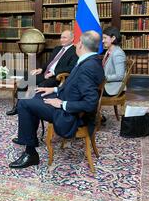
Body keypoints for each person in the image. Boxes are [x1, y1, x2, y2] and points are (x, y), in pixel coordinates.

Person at [9, 31, 105, 169]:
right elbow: (73, 86)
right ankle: (30, 138)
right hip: (65, 99)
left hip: (70, 115)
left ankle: (30, 154)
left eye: (78, 42)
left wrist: (62, 104)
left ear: (81, 45)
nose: (77, 44)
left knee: (24, 103)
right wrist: (53, 90)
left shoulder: (88, 67)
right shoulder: (91, 61)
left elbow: (90, 103)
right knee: (35, 95)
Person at [6, 30, 78, 116]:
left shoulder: (75, 51)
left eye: (64, 37)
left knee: (41, 86)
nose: (61, 39)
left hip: (57, 77)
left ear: (72, 39)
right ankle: (18, 107)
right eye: (61, 37)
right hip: (45, 73)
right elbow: (50, 62)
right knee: (24, 80)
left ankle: (36, 109)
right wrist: (41, 69)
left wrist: (54, 72)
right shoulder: (57, 49)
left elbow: (72, 67)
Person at [102, 26, 127, 97]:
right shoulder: (108, 51)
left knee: (87, 89)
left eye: (105, 38)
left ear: (113, 38)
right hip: (106, 85)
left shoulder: (118, 53)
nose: (102, 41)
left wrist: (104, 78)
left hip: (112, 88)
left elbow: (119, 76)